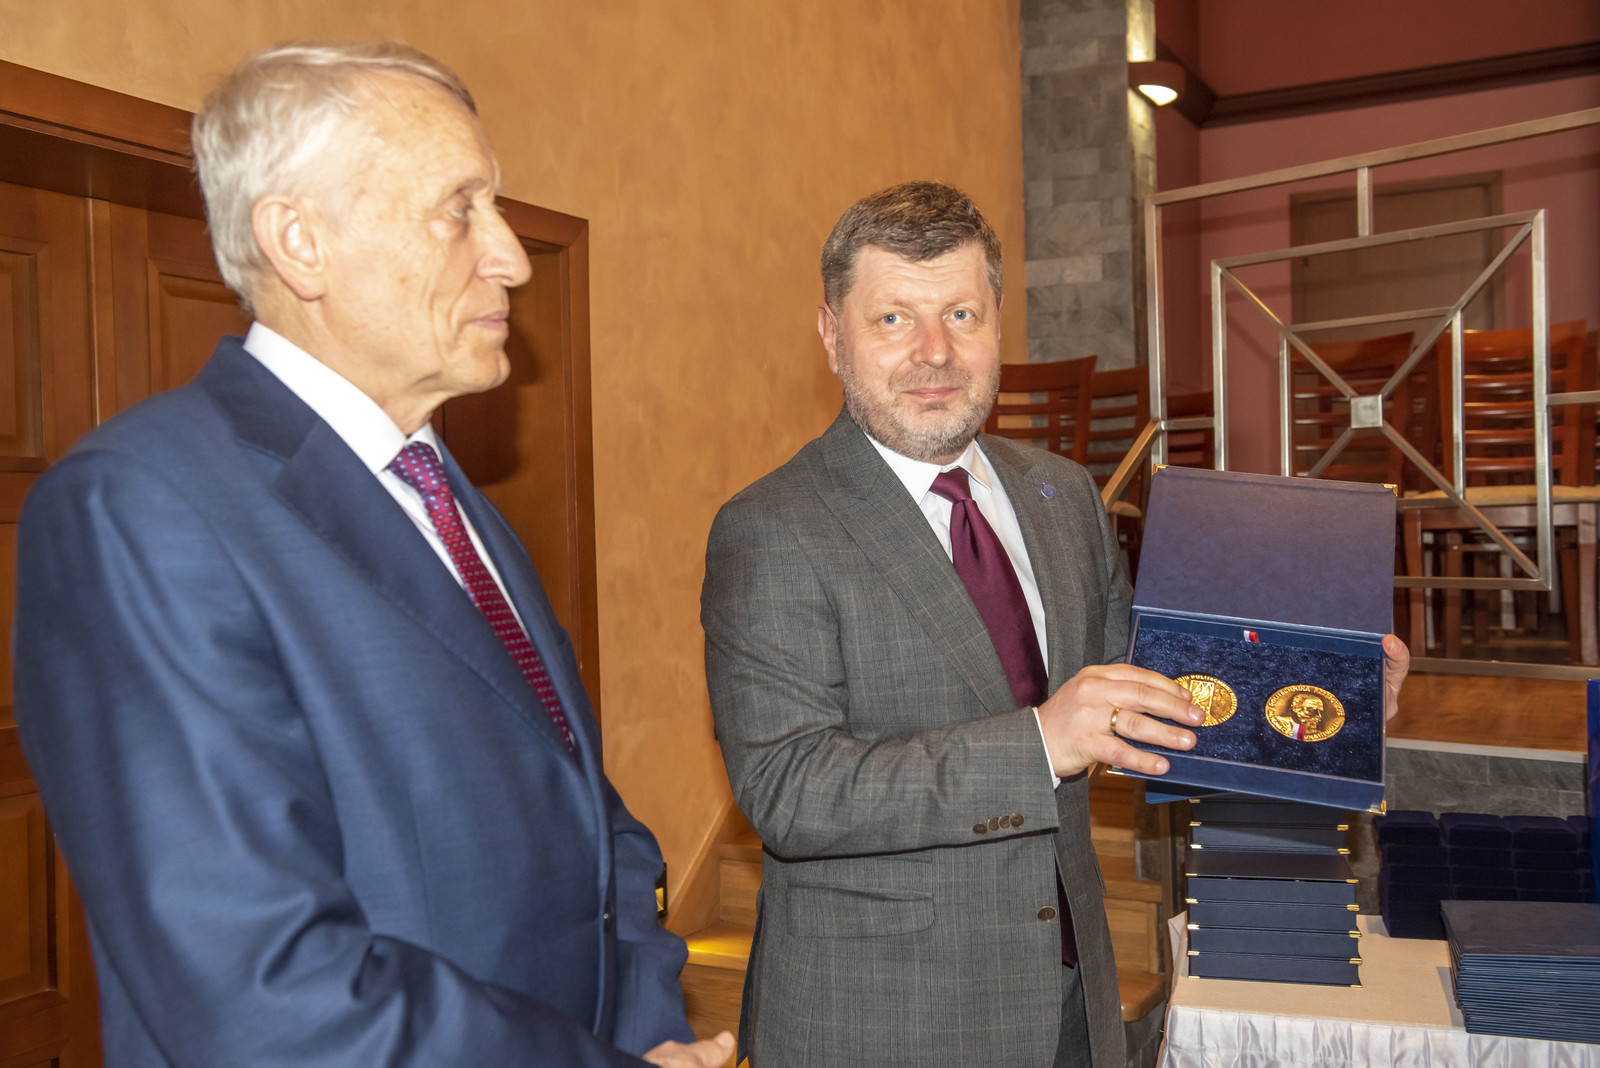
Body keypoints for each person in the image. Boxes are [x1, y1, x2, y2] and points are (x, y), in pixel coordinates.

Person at [14, 42, 732, 1068]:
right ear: (300, 242)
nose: (513, 258)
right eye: (459, 209)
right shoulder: (138, 508)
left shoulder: (448, 497)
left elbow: (588, 821)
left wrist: (647, 1034)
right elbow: (263, 996)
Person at [700, 181, 1410, 1067]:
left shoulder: (1062, 494)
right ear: (831, 335)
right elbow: (790, 790)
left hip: (1072, 998)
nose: (934, 352)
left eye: (962, 314)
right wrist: (1039, 741)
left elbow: (1144, 698)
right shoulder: (773, 527)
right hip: (886, 1022)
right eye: (892, 319)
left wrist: (1320, 703)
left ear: (999, 323)